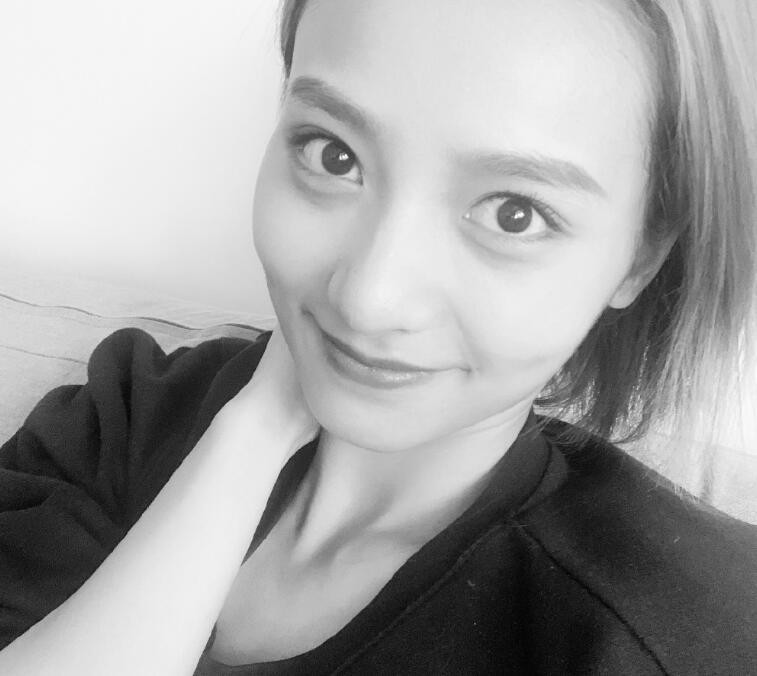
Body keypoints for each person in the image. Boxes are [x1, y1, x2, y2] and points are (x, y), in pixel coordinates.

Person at [0, 0, 755, 673]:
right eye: (332, 154)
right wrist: (253, 433)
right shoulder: (126, 416)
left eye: (514, 213)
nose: (368, 298)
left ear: (640, 257)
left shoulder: (675, 632)